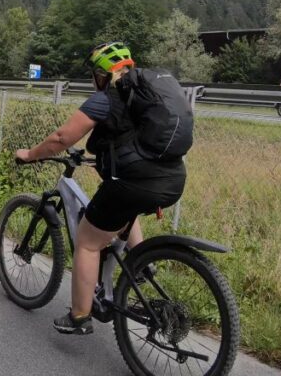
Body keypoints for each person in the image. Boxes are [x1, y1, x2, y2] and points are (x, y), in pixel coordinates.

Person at [14, 41, 187, 335]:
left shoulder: (107, 98)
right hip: (172, 180)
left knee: (88, 241)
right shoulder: (147, 97)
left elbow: (61, 138)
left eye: (95, 75)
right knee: (121, 209)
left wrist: (30, 154)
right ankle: (142, 263)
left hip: (135, 183)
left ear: (102, 74)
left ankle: (80, 316)